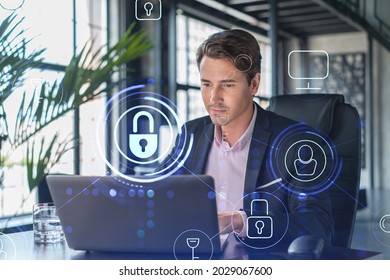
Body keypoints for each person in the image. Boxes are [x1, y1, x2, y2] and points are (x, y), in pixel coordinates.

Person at [159, 29, 334, 247]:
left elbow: (316, 224)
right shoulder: (191, 134)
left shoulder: (299, 145)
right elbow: (156, 192)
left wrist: (241, 222)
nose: (214, 98)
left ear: (254, 84)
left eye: (227, 84)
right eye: (206, 84)